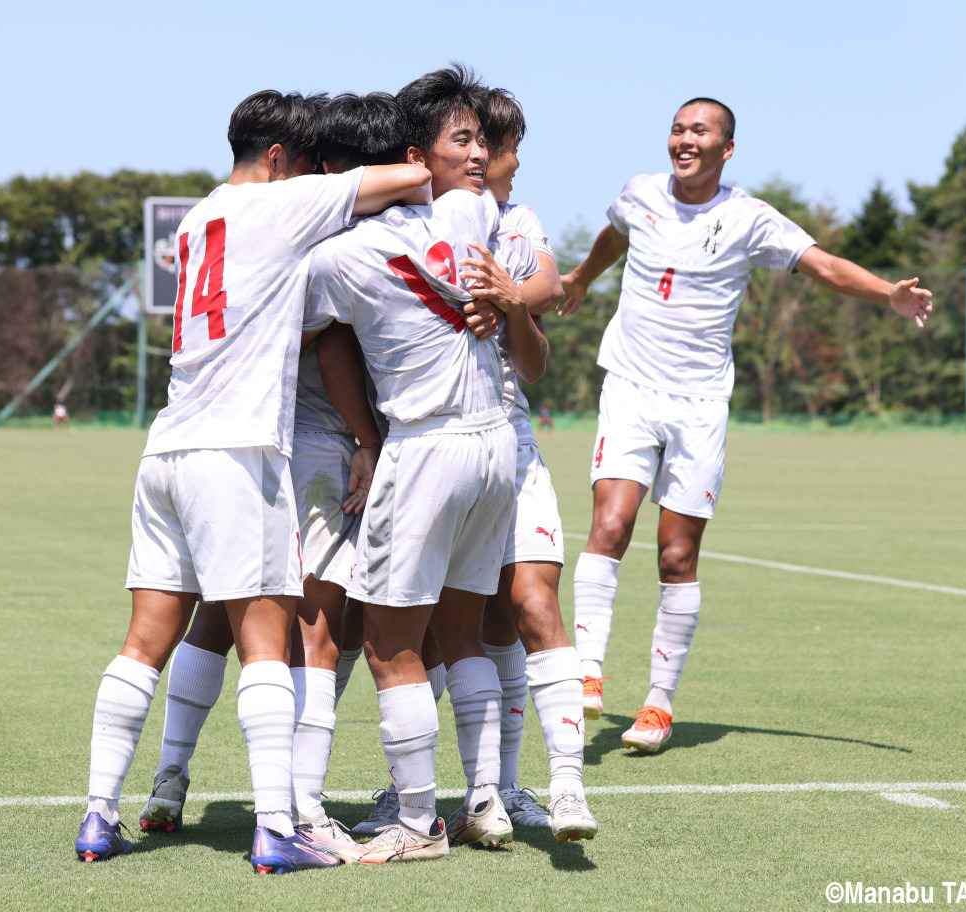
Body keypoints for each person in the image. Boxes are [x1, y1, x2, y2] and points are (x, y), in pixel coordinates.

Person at [74, 88, 431, 874]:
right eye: (303, 164)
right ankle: (279, 826)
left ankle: (98, 815)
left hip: (167, 447)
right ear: (278, 159)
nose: (310, 177)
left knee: (143, 643)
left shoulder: (199, 219)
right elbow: (399, 181)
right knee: (269, 642)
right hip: (238, 452)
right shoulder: (280, 206)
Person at [558, 97, 933, 754]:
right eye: (677, 128)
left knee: (677, 555)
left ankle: (658, 705)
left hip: (700, 405)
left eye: (700, 131)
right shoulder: (638, 192)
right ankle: (586, 674)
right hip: (630, 388)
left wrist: (887, 295)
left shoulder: (749, 218)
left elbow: (823, 266)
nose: (685, 139)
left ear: (726, 149)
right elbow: (614, 234)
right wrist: (584, 278)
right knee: (610, 525)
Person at [301, 66, 534, 863]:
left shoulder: (341, 256)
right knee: (462, 635)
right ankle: (484, 802)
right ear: (418, 160)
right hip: (498, 445)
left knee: (393, 647)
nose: (476, 158)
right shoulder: (474, 217)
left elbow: (301, 330)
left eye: (479, 143)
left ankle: (415, 822)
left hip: (426, 445)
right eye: (461, 142)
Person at [469, 86, 596, 841]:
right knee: (444, 629)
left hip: (512, 443)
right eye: (502, 150)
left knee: (531, 607)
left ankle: (564, 787)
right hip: (432, 448)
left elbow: (546, 285)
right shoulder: (415, 220)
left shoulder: (518, 222)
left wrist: (515, 299)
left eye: (505, 151)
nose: (508, 166)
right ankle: (461, 791)